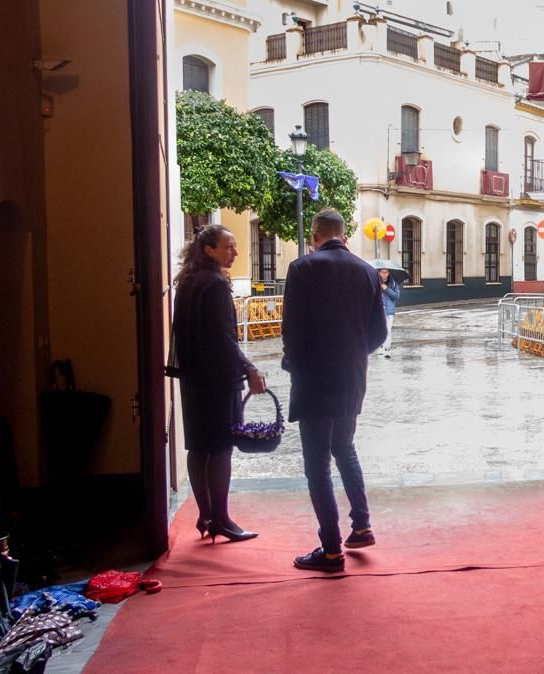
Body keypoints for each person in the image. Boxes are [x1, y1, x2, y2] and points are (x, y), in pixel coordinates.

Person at [281, 209, 388, 571]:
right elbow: (379, 333)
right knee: (344, 447)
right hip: (352, 378)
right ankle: (361, 525)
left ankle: (330, 550)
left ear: (315, 234)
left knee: (317, 466)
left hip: (314, 380)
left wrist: (294, 364)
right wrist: (353, 354)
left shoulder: (302, 268)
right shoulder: (367, 271)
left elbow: (291, 330)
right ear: (343, 234)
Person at [170, 225, 266, 544]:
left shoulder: (187, 281)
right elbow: (222, 337)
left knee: (198, 447)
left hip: (193, 378)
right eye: (229, 246)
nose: (235, 252)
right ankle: (222, 519)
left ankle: (205, 514)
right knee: (222, 448)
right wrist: (249, 367)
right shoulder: (214, 283)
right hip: (217, 378)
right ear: (209, 249)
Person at [378, 267, 401, 358]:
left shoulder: (394, 283)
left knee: (388, 330)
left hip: (389, 311)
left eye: (386, 272)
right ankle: (381, 346)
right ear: (379, 273)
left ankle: (387, 349)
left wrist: (386, 288)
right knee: (380, 330)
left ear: (389, 273)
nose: (384, 274)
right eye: (382, 272)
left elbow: (396, 296)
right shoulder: (375, 282)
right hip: (378, 310)